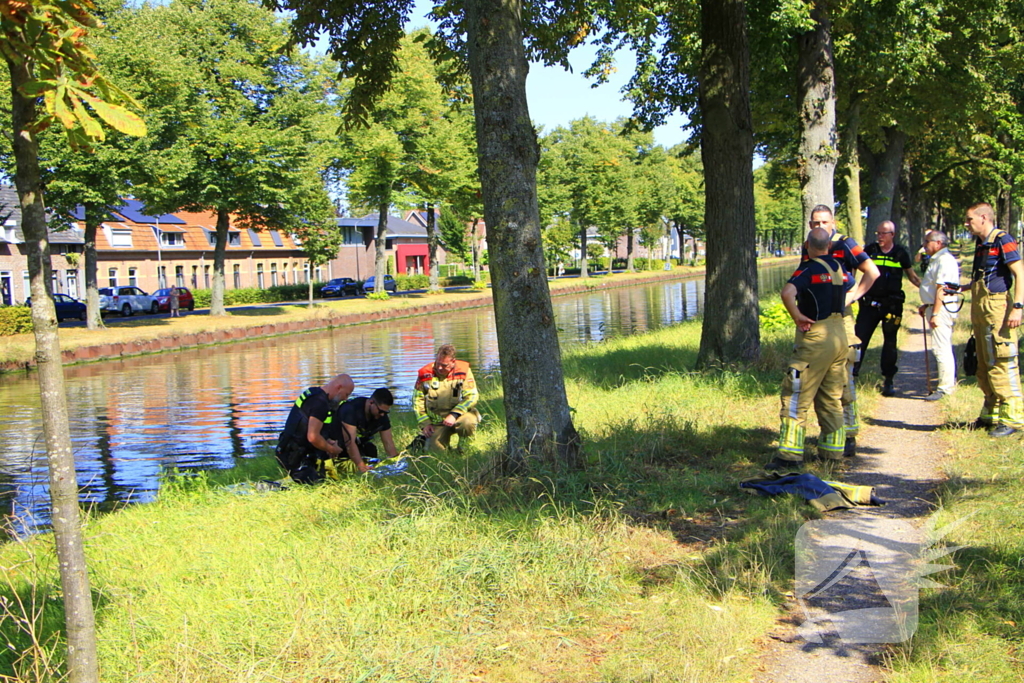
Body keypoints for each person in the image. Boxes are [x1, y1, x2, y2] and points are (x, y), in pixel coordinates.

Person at [767, 227, 860, 471]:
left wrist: (797, 315)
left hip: (816, 335)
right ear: (829, 246)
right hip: (840, 333)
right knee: (832, 395)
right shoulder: (839, 268)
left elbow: (787, 291)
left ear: (808, 246)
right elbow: (851, 286)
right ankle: (833, 452)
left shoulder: (808, 268)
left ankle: (789, 455)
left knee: (797, 393)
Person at [802, 205, 880, 457]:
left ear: (833, 222)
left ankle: (849, 434)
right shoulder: (809, 245)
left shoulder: (845, 244)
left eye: (824, 222)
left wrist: (852, 297)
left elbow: (872, 271)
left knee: (843, 376)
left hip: (840, 318)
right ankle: (831, 433)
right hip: (815, 320)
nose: (819, 227)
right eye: (815, 223)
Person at [963, 203, 1024, 437]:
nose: (966, 224)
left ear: (983, 217)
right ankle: (990, 415)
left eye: (969, 220)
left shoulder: (1003, 239)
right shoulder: (981, 244)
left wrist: (1017, 308)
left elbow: (1020, 272)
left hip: (998, 309)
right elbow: (983, 276)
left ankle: (1013, 419)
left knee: (1002, 360)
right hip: (981, 311)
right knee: (983, 362)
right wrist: (962, 287)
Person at [853, 220, 922, 396]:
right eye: (878, 233)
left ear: (892, 234)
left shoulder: (900, 253)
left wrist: (928, 293)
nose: (880, 237)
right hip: (870, 304)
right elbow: (853, 269)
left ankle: (888, 380)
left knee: (890, 341)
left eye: (883, 233)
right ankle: (851, 377)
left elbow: (912, 276)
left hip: (892, 304)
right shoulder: (870, 250)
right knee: (859, 339)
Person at [275, 374, 355, 483]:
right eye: (346, 394)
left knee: (323, 478)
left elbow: (309, 428)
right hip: (293, 454)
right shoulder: (320, 403)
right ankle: (267, 488)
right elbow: (313, 437)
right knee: (316, 485)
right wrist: (331, 449)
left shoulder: (315, 393)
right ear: (339, 388)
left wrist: (327, 441)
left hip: (290, 448)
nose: (345, 398)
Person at [918, 230, 961, 400]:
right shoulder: (937, 259)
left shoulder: (944, 260)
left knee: (941, 347)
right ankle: (944, 385)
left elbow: (942, 289)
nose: (925, 245)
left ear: (938, 243)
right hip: (934, 307)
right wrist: (926, 305)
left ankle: (945, 388)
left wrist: (935, 312)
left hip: (942, 309)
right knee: (939, 347)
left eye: (927, 241)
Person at [413, 344, 480, 452]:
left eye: (444, 365)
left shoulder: (464, 371)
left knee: (467, 423)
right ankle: (446, 449)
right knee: (436, 453)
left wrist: (454, 414)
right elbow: (417, 401)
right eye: (438, 363)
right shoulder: (424, 374)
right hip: (437, 422)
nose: (439, 368)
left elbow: (471, 396)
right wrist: (425, 424)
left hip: (459, 417)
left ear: (453, 362)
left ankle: (464, 446)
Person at [332, 388, 401, 473]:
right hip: (336, 447)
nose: (382, 414)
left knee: (370, 450)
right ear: (371, 402)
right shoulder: (350, 410)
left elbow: (388, 443)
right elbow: (350, 443)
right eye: (380, 411)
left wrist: (396, 463)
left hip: (359, 445)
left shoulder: (381, 416)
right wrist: (361, 466)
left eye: (386, 412)